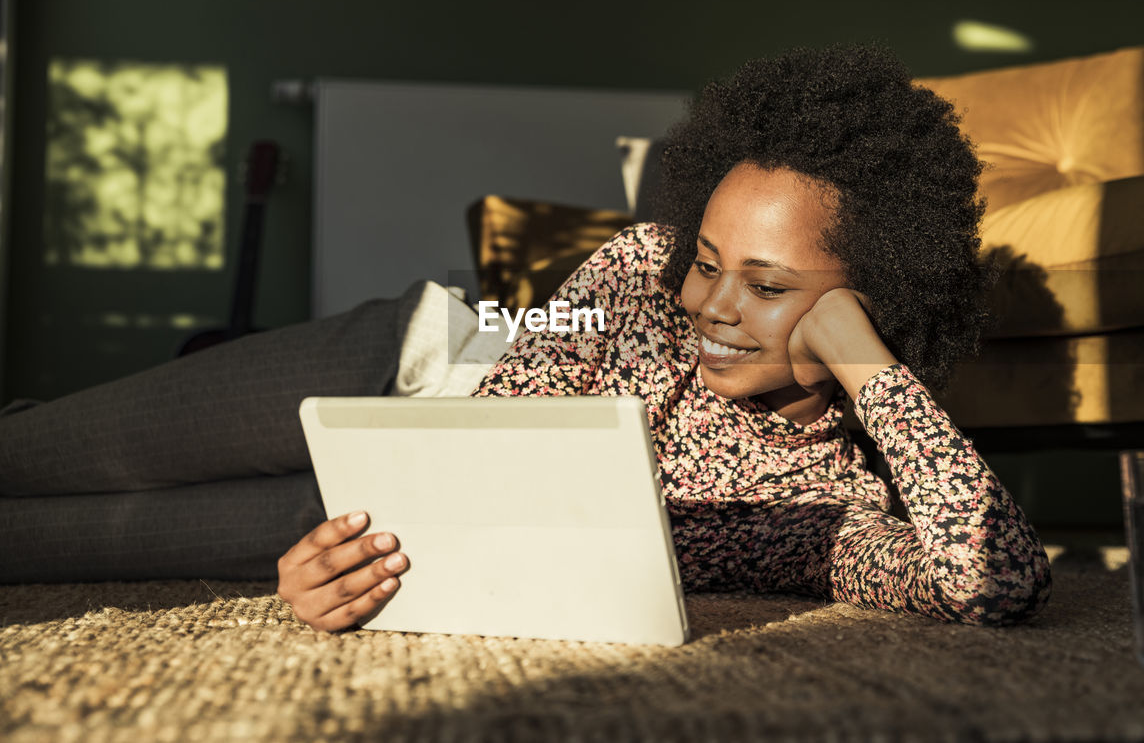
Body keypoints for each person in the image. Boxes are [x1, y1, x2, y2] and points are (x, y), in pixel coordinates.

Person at [2, 44, 1052, 631]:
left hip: (398, 520)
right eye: (709, 258)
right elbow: (503, 427)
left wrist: (864, 362)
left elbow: (990, 579)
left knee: (43, 545)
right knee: (37, 454)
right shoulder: (642, 266)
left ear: (872, 300)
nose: (713, 303)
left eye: (771, 285)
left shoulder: (835, 511)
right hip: (403, 368)